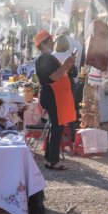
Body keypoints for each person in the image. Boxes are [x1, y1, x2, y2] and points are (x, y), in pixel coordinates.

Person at [34, 29, 76, 170]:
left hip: (53, 95)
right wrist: (66, 64)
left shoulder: (47, 57)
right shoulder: (43, 59)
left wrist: (68, 64)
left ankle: (49, 159)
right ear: (44, 44)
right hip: (52, 95)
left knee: (55, 126)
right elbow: (54, 77)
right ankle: (53, 160)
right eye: (51, 40)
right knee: (57, 127)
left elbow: (60, 73)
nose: (53, 42)